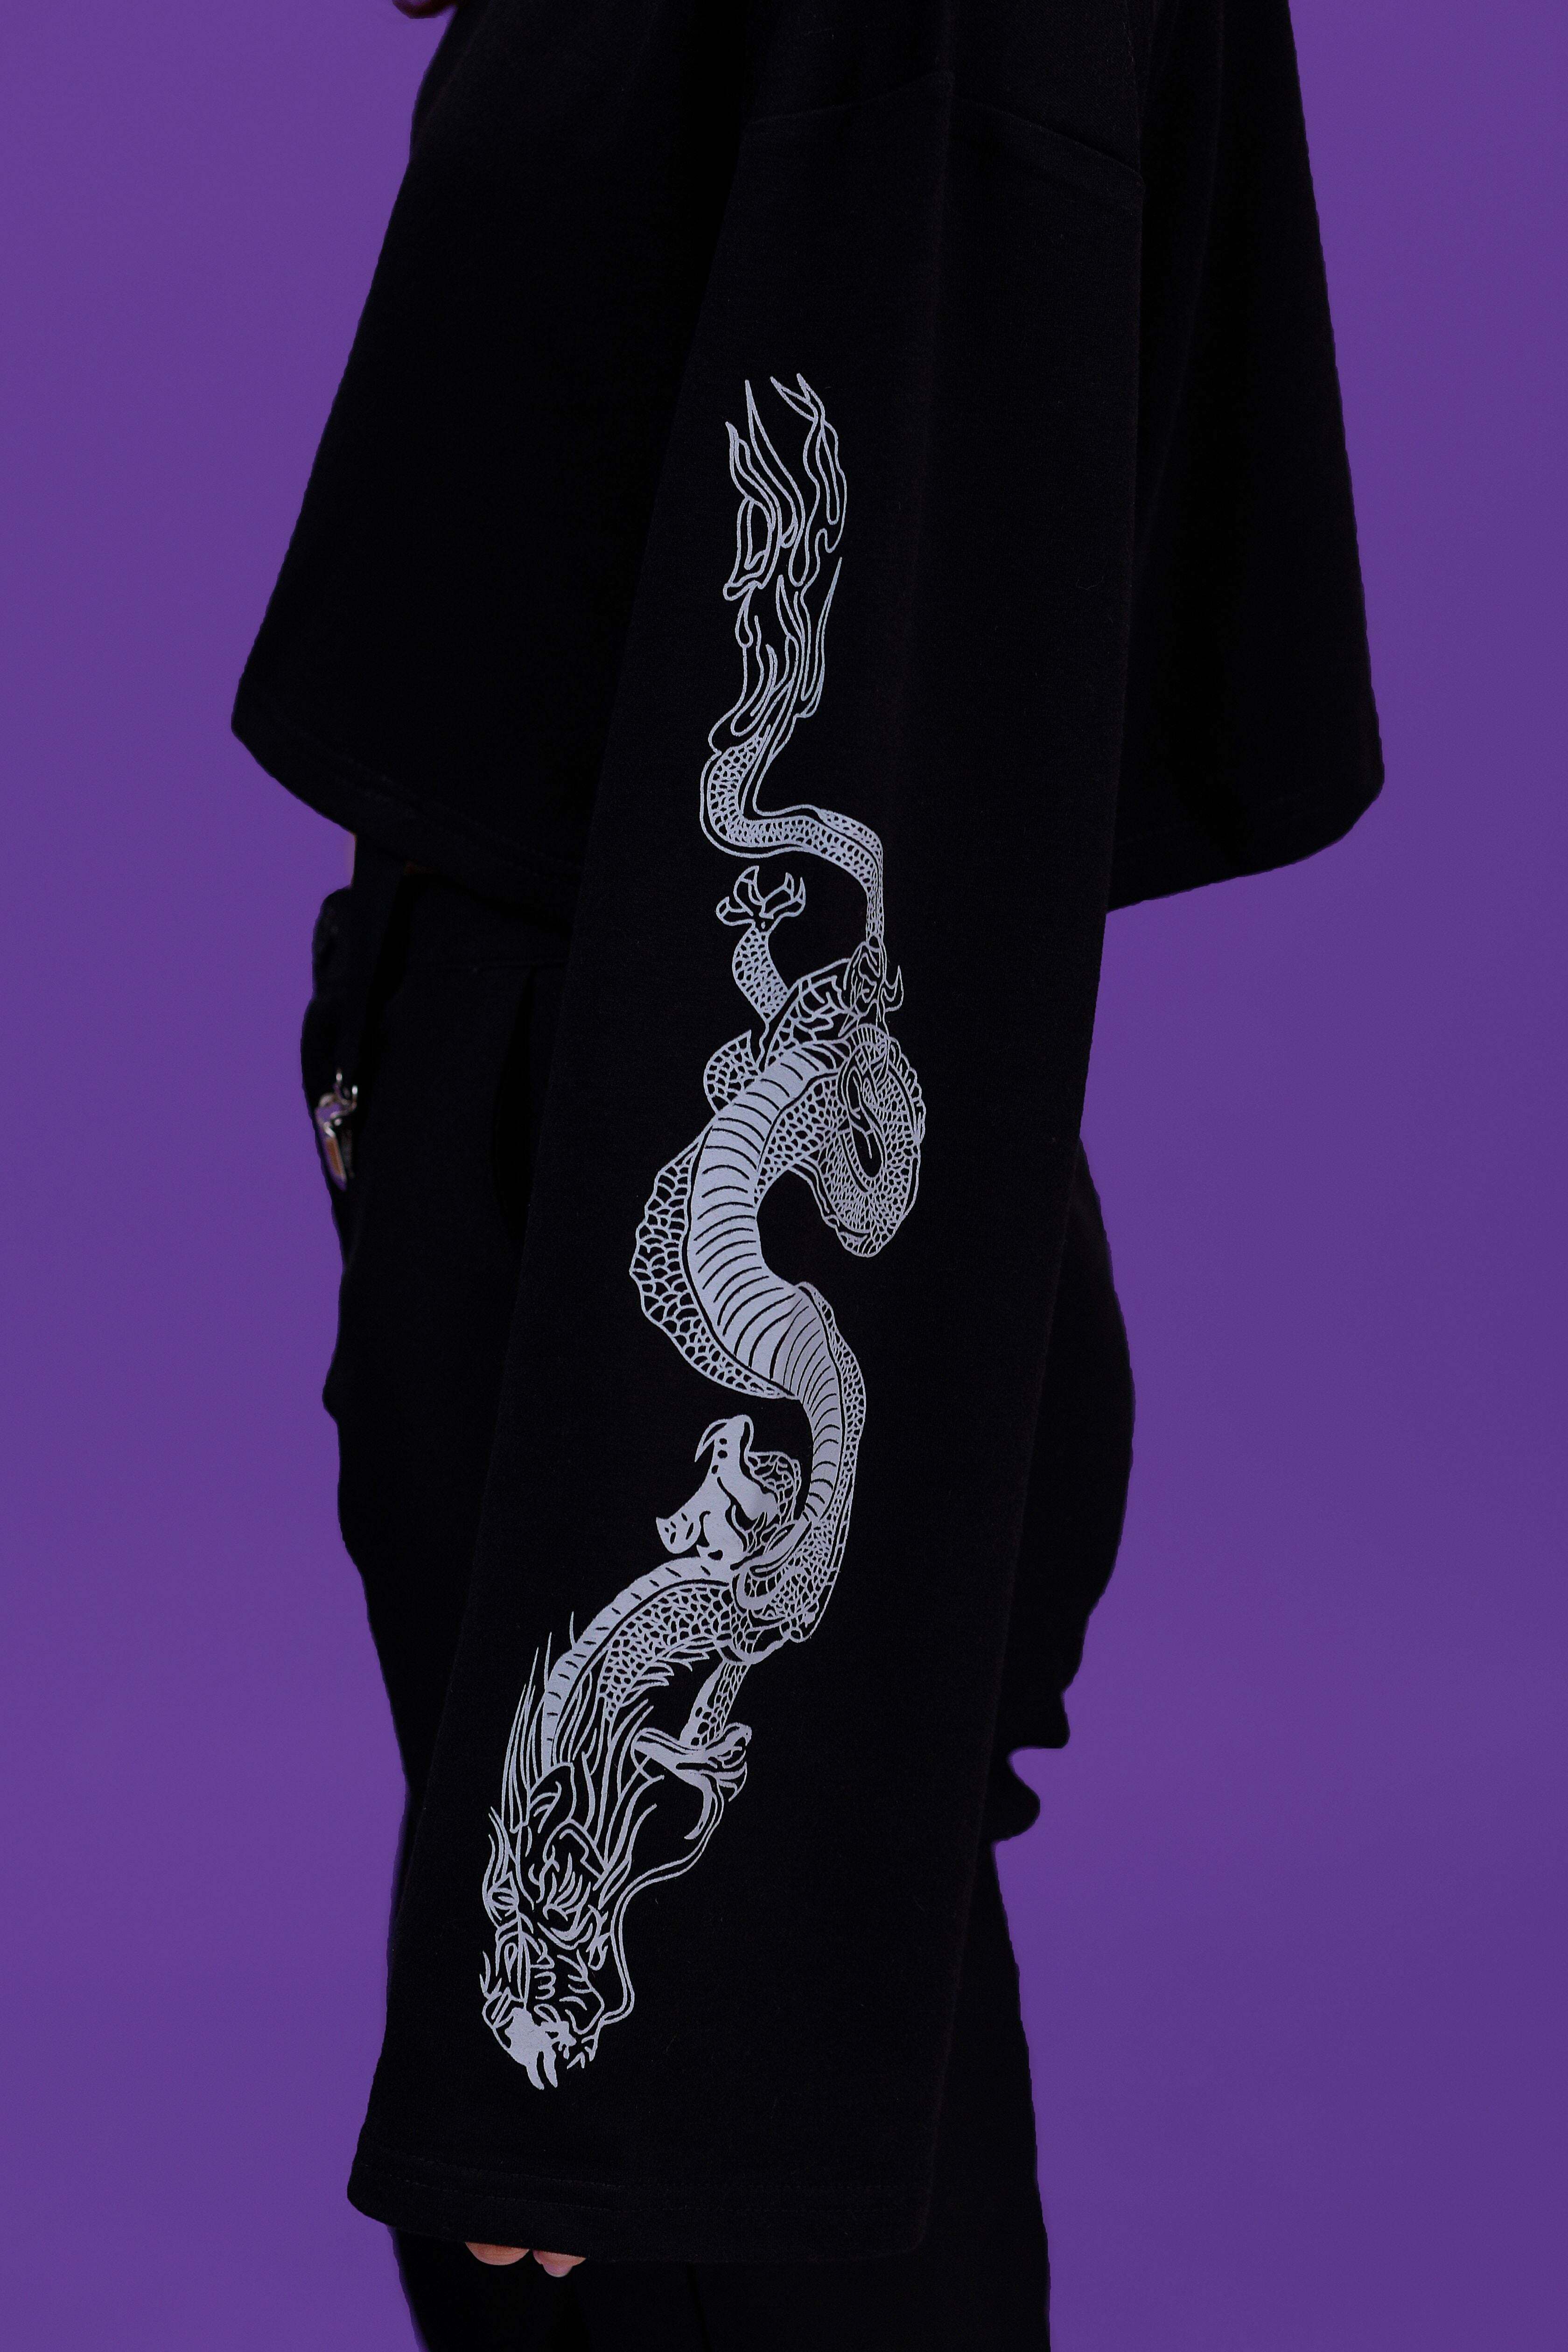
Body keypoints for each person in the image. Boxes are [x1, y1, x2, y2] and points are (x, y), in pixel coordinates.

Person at [234, 0, 1380, 2341]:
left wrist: (628, 2021)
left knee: (700, 2248)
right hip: (585, 1136)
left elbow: (885, 749)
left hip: (630, 1195)